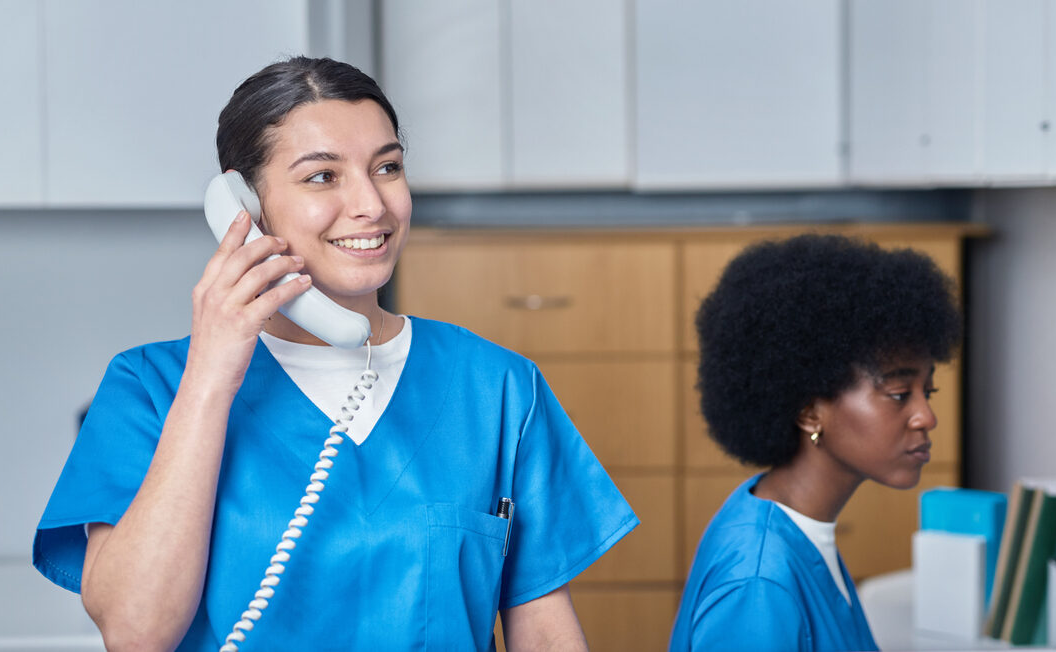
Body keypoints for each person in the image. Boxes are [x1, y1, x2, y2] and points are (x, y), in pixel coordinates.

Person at [33, 57, 637, 651]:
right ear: (242, 206)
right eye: (323, 176)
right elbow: (136, 634)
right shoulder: (149, 387)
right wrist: (211, 380)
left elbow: (543, 626)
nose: (372, 205)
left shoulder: (498, 386)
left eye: (388, 167)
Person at [670, 234, 962, 651]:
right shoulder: (759, 584)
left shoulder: (795, 529)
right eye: (899, 394)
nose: (926, 417)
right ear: (810, 410)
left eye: (926, 393)